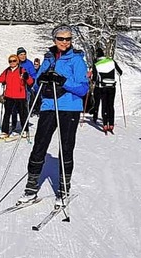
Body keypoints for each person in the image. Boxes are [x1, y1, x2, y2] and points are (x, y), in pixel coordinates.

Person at [18, 24, 89, 207]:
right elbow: (36, 85)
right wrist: (39, 80)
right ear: (54, 39)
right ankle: (31, 189)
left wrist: (63, 81)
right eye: (61, 38)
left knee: (65, 147)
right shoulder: (48, 59)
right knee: (39, 145)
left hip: (70, 107)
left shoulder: (77, 60)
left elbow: (83, 88)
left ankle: (64, 190)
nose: (65, 42)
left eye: (68, 39)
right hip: (49, 105)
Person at [0, 54, 34, 138]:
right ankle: (5, 131)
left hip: (20, 96)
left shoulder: (22, 70)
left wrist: (26, 77)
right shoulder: (7, 71)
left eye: (14, 61)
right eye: (10, 61)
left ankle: (25, 130)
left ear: (17, 61)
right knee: (7, 114)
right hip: (9, 96)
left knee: (22, 114)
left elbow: (30, 82)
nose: (12, 62)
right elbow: (0, 79)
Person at [91, 48, 123, 133]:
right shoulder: (111, 61)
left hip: (102, 87)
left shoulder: (96, 64)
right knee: (111, 105)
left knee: (104, 105)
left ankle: (105, 124)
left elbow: (94, 79)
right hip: (112, 86)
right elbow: (120, 72)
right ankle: (111, 124)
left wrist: (91, 78)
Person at [16, 47, 37, 127]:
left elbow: (34, 75)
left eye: (24, 54)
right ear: (18, 55)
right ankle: (14, 124)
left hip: (26, 87)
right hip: (16, 88)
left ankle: (25, 124)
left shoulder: (29, 63)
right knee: (15, 107)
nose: (23, 56)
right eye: (21, 54)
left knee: (24, 106)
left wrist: (28, 78)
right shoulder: (15, 62)